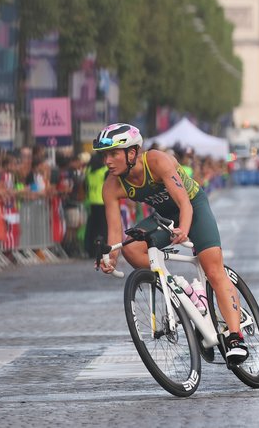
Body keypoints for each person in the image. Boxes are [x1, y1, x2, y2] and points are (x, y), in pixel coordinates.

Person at [93, 123, 249, 364]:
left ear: (132, 153)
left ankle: (235, 337)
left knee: (213, 268)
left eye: (114, 154)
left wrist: (184, 231)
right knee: (130, 248)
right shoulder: (111, 186)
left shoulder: (156, 161)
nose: (108, 161)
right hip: (163, 217)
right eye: (105, 155)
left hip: (193, 208)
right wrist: (110, 258)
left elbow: (185, 204)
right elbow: (115, 231)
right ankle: (181, 290)